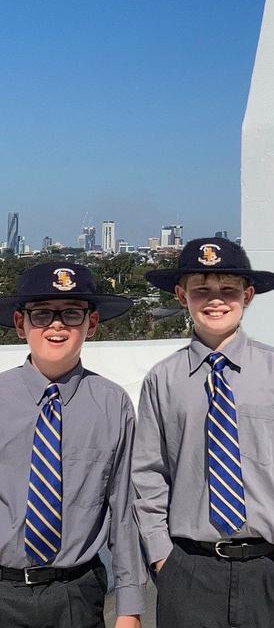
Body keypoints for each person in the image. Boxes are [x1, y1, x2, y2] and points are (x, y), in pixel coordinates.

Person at [132, 237, 274, 628]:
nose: (216, 300)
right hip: (190, 571)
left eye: (228, 290)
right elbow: (148, 477)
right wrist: (164, 560)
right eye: (202, 291)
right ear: (182, 296)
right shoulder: (163, 380)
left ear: (247, 296)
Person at [0, 261, 146, 628]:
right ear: (21, 325)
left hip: (76, 595)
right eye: (41, 314)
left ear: (91, 324)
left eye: (71, 313)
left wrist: (129, 607)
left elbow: (124, 510)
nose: (56, 325)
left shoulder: (112, 405)